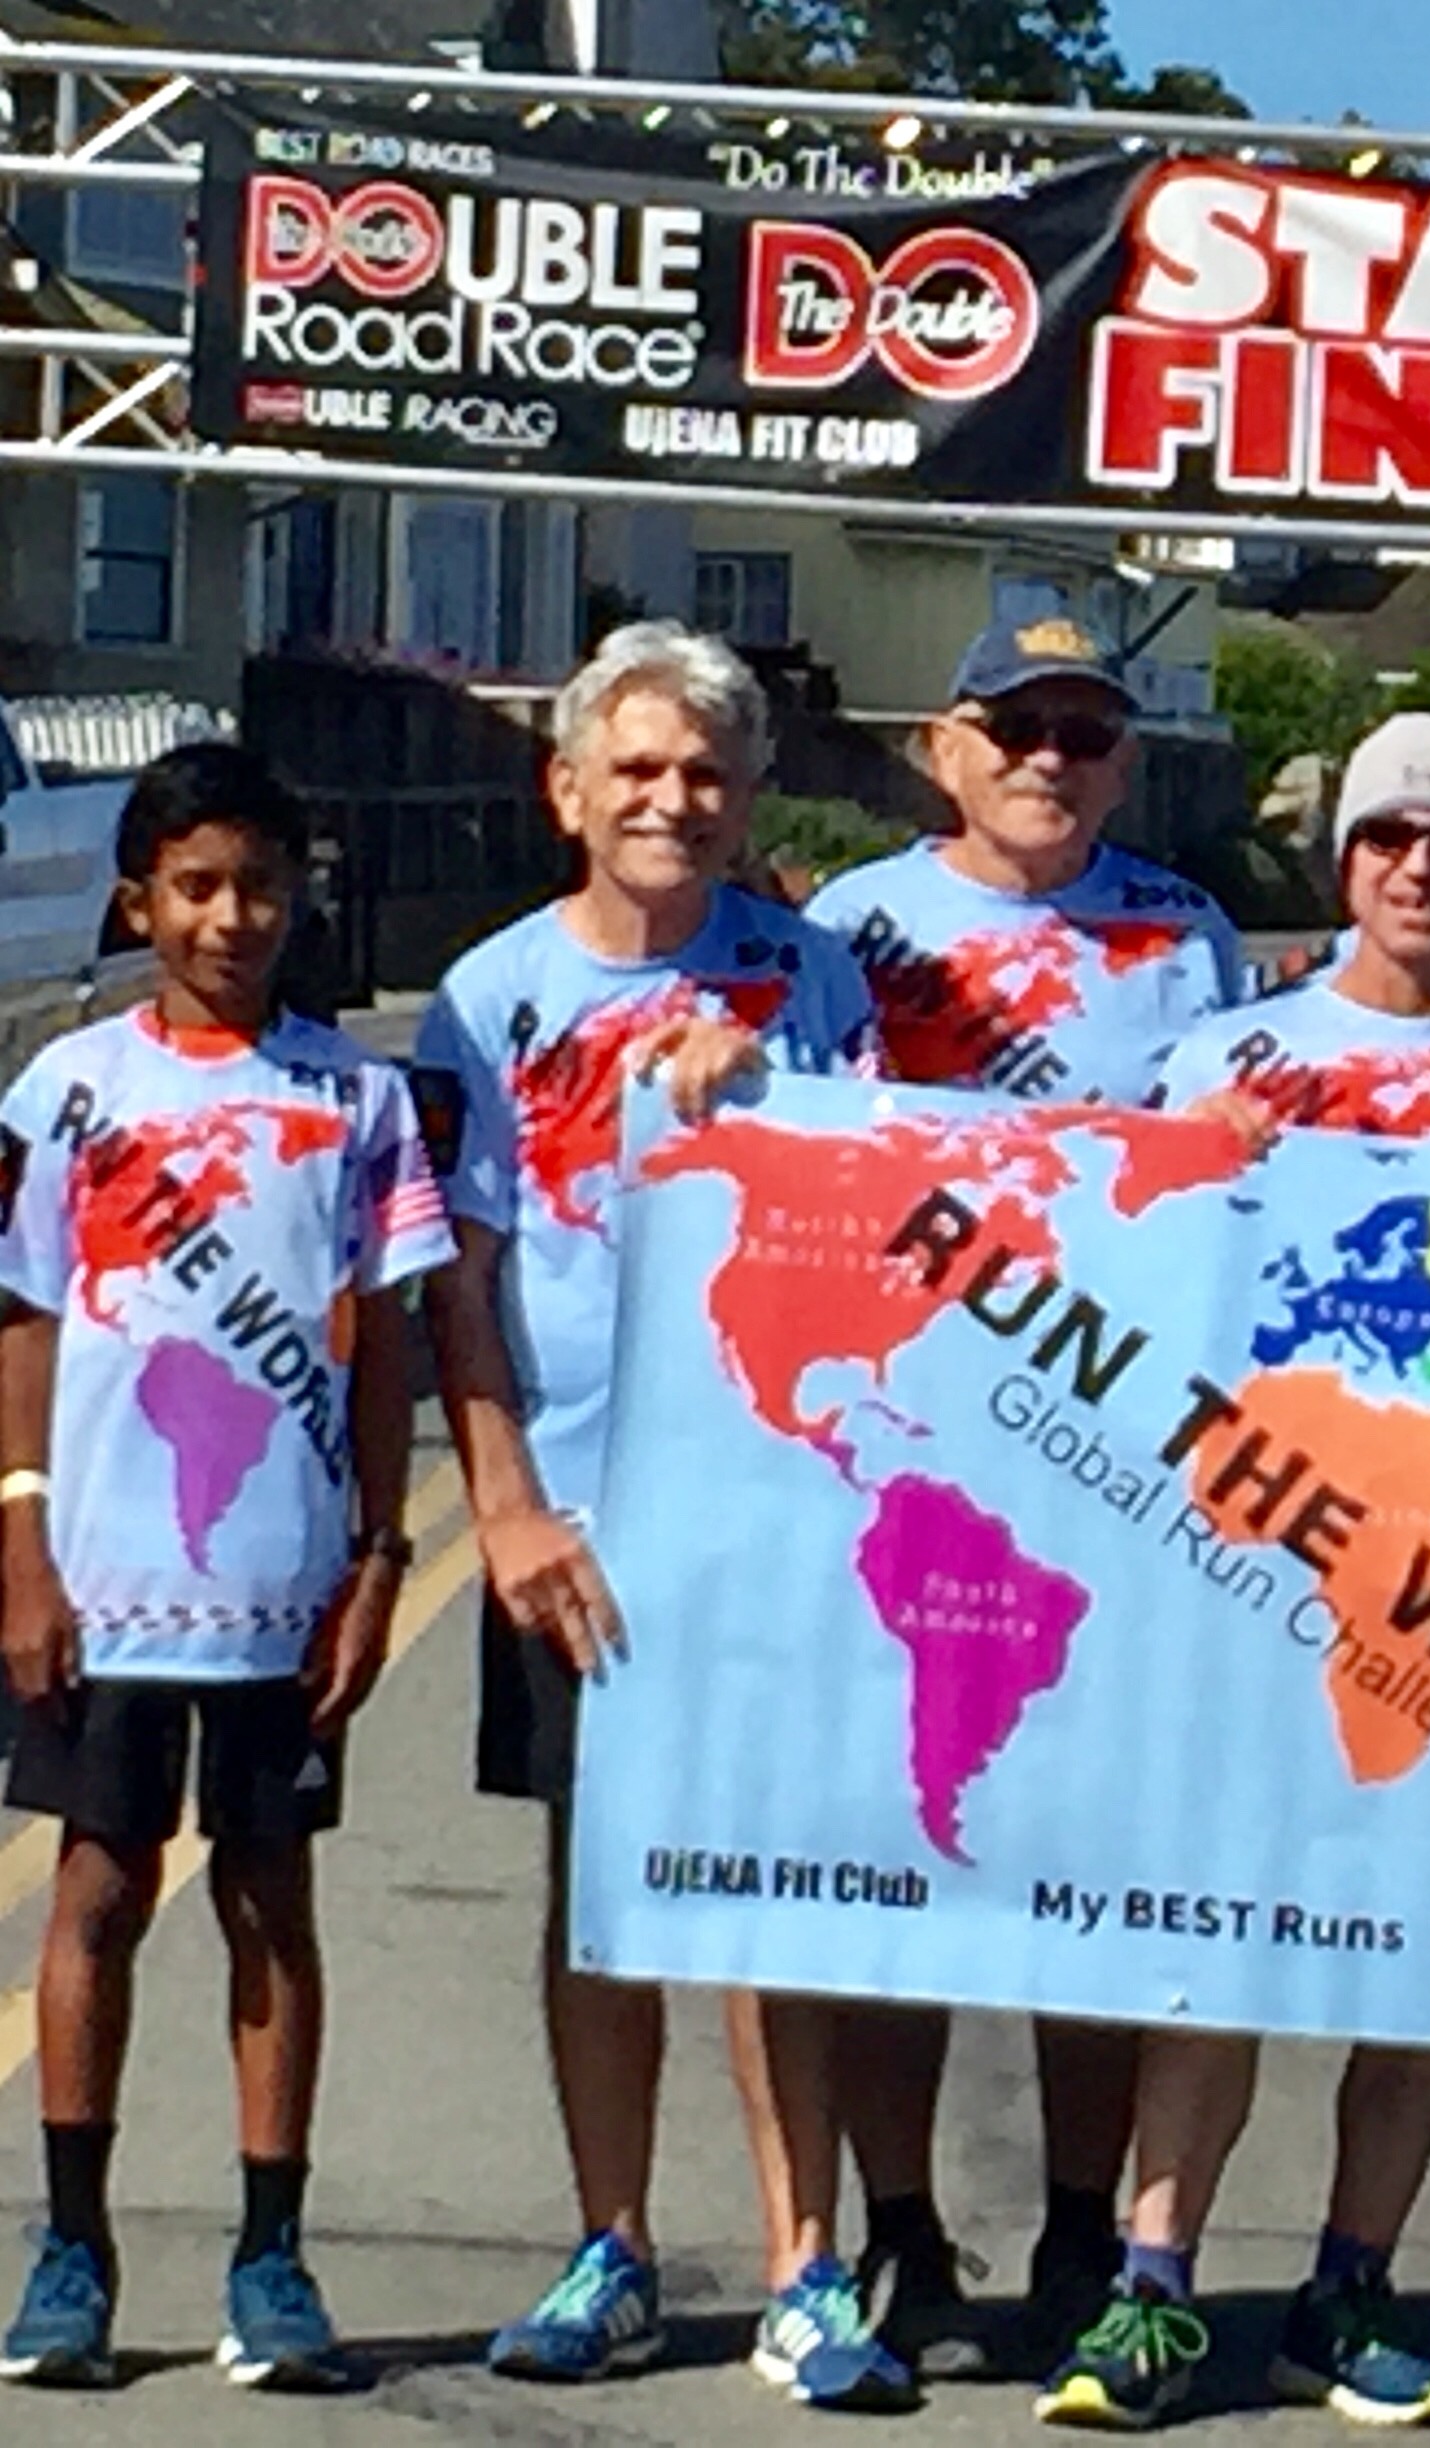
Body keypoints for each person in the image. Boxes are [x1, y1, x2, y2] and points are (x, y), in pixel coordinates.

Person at [1029, 715, 1430, 2435]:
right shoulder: (1228, 1051)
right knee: (1218, 1932)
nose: (1419, 867)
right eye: (1388, 838)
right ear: (1342, 860)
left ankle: (1349, 2287)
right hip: (1248, 1562)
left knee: (1420, 1949)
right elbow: (1121, 1288)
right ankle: (1152, 2283)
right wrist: (1178, 1162)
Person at [413, 622, 913, 2413]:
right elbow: (459, 1277)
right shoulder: (486, 997)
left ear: (750, 795)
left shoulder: (812, 976)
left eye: (705, 772)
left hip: (771, 1515)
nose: (671, 800)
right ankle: (609, 2241)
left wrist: (766, 1097)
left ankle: (803, 2262)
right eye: (634, 768)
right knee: (597, 1897)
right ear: (567, 791)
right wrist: (504, 1505)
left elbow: (885, 1220)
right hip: (579, 1516)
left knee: (766, 1897)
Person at [805, 617, 1242, 2376]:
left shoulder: (1188, 935)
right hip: (901, 1445)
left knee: (1093, 1867)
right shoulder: (851, 930)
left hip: (1114, 1458)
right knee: (896, 1860)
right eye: (1015, 726)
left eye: (1084, 731)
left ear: (1125, 762)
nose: (1048, 757)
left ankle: (1080, 2223)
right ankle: (901, 2225)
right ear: (944, 744)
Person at [0, 745, 451, 2392]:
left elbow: (385, 1345)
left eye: (260, 884)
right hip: (106, 1579)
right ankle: (71, 2250)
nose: (230, 916)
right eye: (196, 885)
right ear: (140, 902)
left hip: (281, 1587)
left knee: (270, 1901)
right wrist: (20, 1543)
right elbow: (25, 1327)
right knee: (99, 1891)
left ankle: (271, 2253)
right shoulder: (66, 1092)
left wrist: (383, 1551)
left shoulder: (356, 1100)